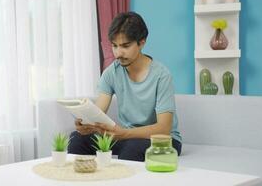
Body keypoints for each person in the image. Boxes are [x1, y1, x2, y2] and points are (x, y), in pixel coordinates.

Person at [68, 11, 182, 161]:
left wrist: (124, 133)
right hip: (127, 137)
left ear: (142, 42)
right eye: (114, 46)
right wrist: (87, 124)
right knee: (77, 139)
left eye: (125, 46)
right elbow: (98, 112)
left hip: (163, 141)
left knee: (133, 147)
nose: (118, 53)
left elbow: (164, 128)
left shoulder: (161, 75)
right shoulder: (111, 73)